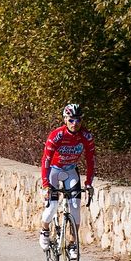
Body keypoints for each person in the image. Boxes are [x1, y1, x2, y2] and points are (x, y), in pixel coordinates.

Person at [39, 103, 95, 251]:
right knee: (52, 208)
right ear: (65, 120)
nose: (74, 124)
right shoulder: (56, 135)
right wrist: (45, 185)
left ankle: (72, 244)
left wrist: (89, 183)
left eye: (78, 120)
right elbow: (46, 160)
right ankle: (44, 230)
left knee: (75, 207)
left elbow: (91, 160)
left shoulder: (86, 136)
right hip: (54, 171)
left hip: (71, 171)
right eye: (71, 120)